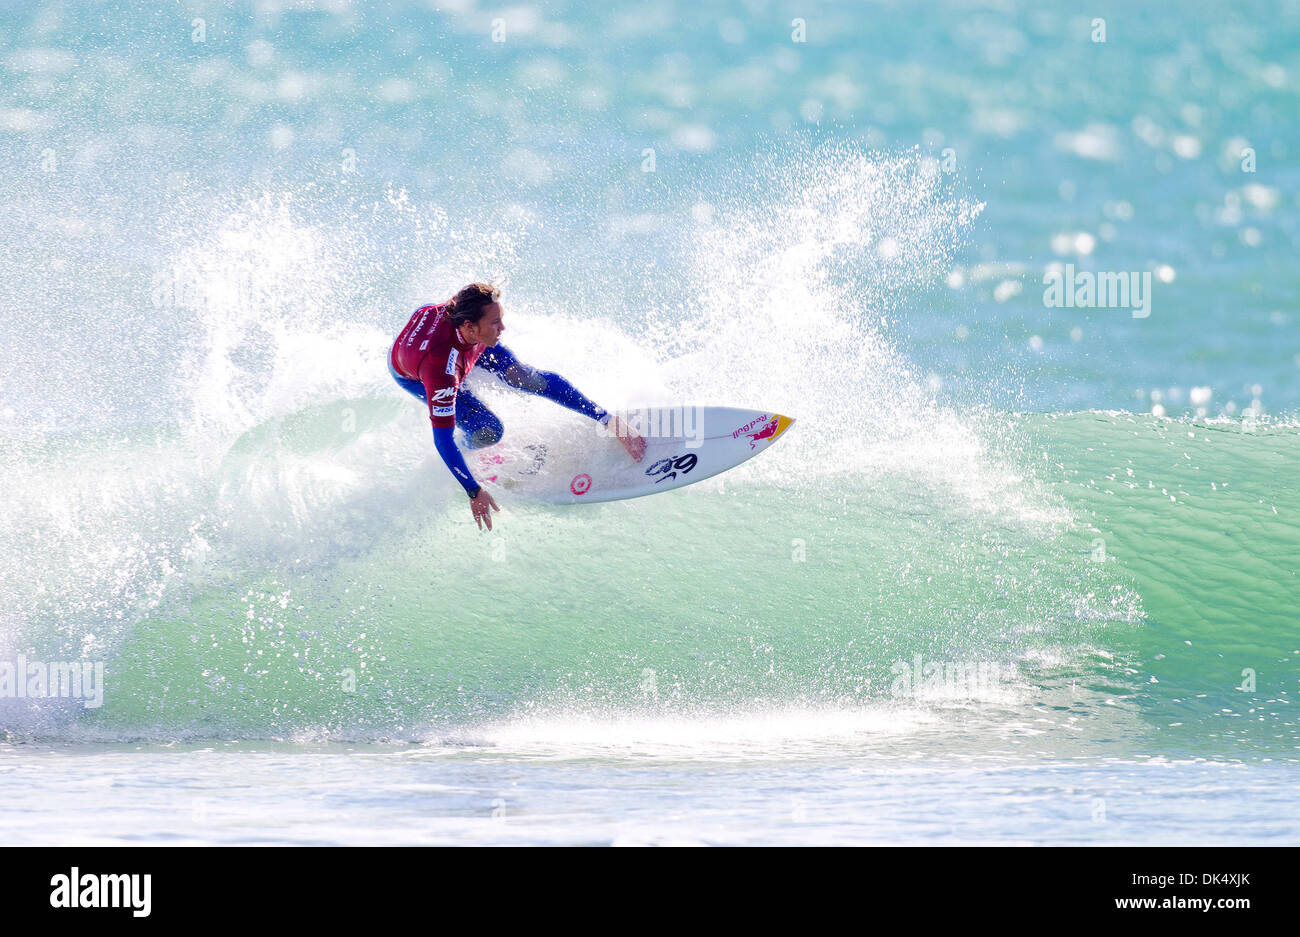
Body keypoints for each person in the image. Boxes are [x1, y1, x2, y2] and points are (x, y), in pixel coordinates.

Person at [389, 283, 645, 530]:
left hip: (444, 338)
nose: (503, 328)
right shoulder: (441, 371)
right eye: (495, 323)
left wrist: (607, 419)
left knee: (526, 378)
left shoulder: (471, 311)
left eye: (501, 318)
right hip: (413, 371)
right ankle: (467, 450)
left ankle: (604, 418)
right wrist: (474, 491)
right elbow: (442, 441)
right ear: (470, 326)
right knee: (488, 431)